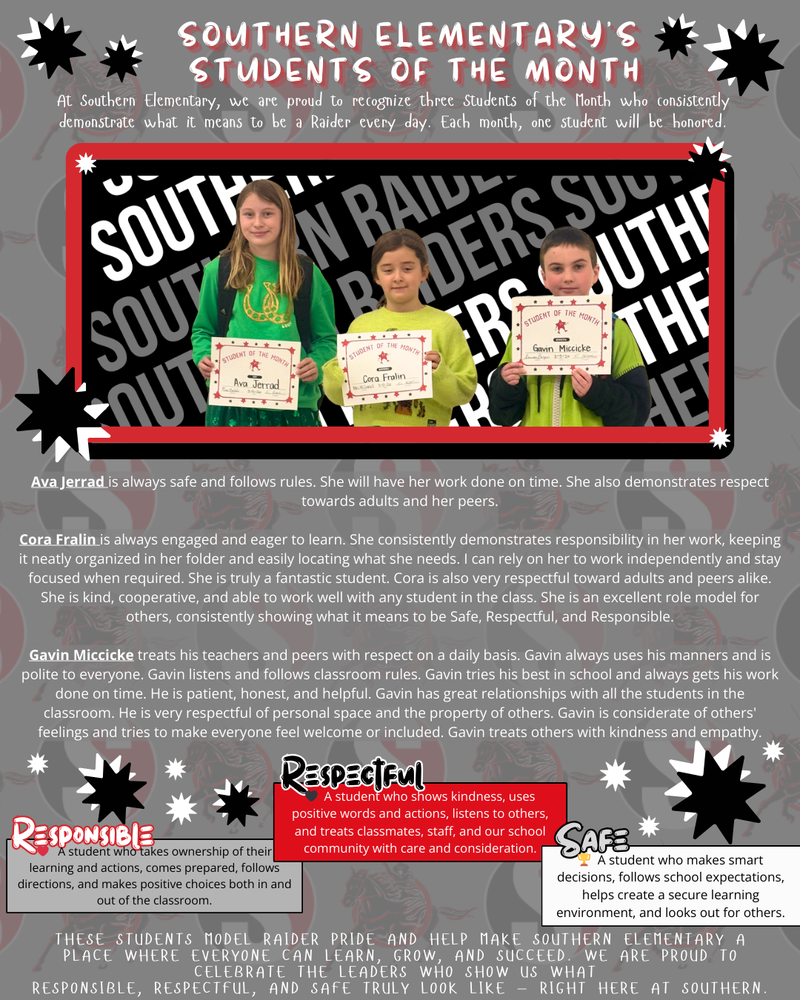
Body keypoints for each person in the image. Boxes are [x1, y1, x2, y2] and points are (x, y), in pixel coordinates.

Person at [192, 179, 337, 427]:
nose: (257, 223)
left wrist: (318, 364)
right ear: (239, 219)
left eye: (267, 214)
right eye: (249, 214)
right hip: (231, 404)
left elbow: (327, 339)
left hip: (295, 405)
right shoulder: (218, 271)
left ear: (285, 218)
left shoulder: (307, 273)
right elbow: (203, 330)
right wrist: (203, 356)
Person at [489, 226, 650, 427]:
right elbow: (501, 417)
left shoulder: (616, 330)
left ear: (595, 273)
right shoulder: (524, 330)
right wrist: (505, 384)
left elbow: (638, 413)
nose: (568, 277)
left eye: (578, 266)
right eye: (557, 269)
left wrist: (595, 392)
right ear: (544, 277)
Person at [322, 229, 477, 426]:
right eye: (387, 270)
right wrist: (335, 372)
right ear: (376, 277)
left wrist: (438, 373)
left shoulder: (444, 325)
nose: (397, 277)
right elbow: (340, 397)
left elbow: (464, 393)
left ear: (424, 273)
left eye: (407, 268)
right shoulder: (360, 326)